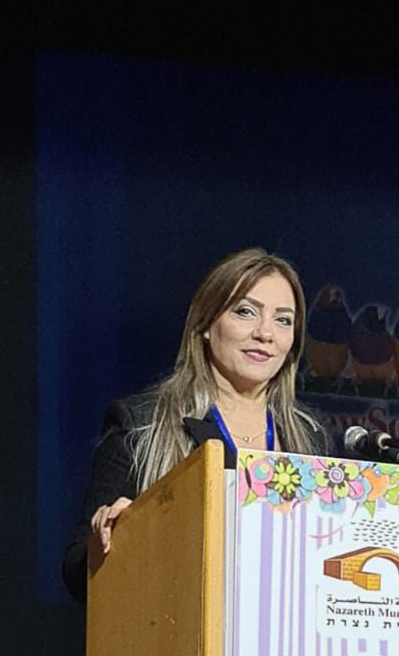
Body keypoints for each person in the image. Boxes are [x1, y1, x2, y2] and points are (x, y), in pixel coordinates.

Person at [63, 247, 326, 600]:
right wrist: (121, 538)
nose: (266, 333)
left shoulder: (311, 437)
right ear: (205, 324)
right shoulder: (141, 424)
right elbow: (77, 574)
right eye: (245, 312)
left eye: (283, 320)